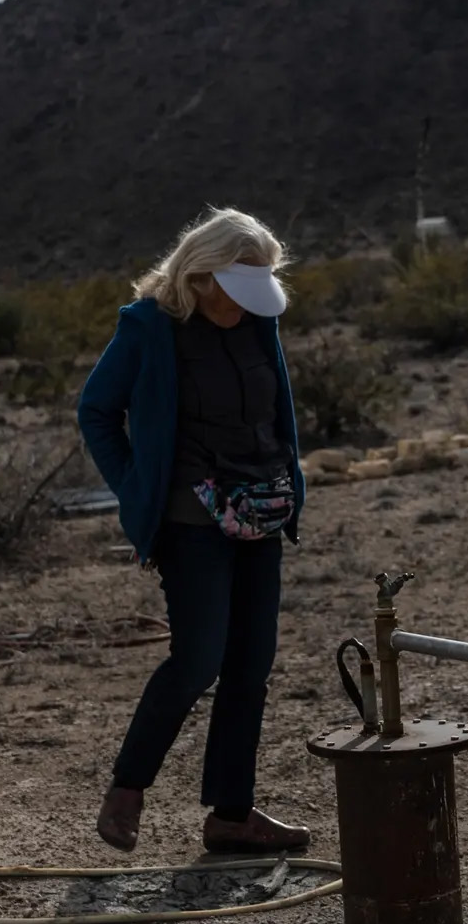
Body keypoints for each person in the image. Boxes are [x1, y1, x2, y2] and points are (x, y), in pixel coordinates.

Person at [78, 208, 311, 856]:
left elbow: (274, 409)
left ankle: (232, 815)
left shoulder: (257, 323)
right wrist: (137, 486)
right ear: (202, 276)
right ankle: (128, 788)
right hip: (191, 520)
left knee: (251, 664)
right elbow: (97, 410)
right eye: (237, 291)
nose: (245, 306)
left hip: (260, 509)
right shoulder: (150, 328)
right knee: (199, 657)